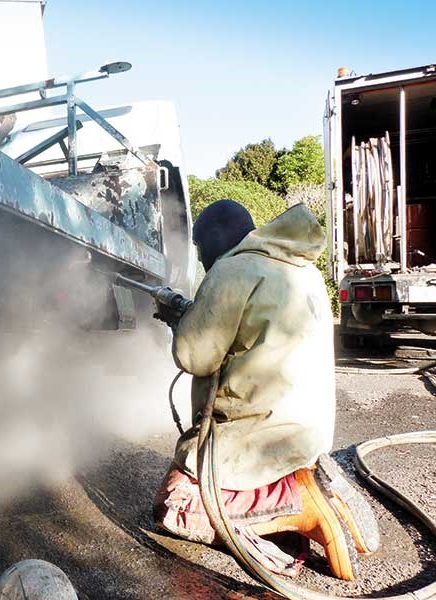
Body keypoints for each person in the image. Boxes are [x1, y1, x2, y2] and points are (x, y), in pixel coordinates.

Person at [152, 199, 378, 581]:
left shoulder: (232, 269)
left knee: (174, 504)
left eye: (201, 248)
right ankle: (310, 496)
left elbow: (194, 357)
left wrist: (181, 323)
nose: (202, 256)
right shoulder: (300, 269)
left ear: (214, 241)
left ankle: (296, 503)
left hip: (260, 436)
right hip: (305, 436)